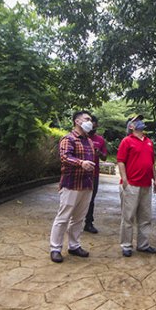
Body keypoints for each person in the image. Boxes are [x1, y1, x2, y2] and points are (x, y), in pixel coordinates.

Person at [49, 110, 97, 262]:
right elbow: (65, 157)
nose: (91, 122)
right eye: (87, 119)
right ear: (77, 121)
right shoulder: (68, 138)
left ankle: (74, 246)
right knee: (63, 217)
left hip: (86, 185)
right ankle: (55, 248)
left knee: (79, 218)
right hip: (71, 184)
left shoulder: (89, 140)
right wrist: (81, 163)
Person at [117, 114, 156, 257]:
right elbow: (121, 161)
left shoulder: (149, 141)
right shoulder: (126, 141)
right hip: (131, 184)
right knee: (128, 216)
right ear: (131, 126)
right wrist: (124, 179)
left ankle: (143, 245)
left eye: (140, 120)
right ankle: (126, 245)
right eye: (136, 121)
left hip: (146, 185)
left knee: (145, 217)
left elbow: (152, 163)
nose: (140, 122)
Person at [84, 115, 108, 234]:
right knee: (77, 199)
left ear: (96, 125)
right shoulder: (80, 137)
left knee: (91, 199)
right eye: (89, 122)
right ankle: (74, 222)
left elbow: (104, 157)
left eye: (93, 122)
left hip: (94, 174)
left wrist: (98, 152)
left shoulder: (100, 140)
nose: (91, 125)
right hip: (80, 173)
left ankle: (88, 223)